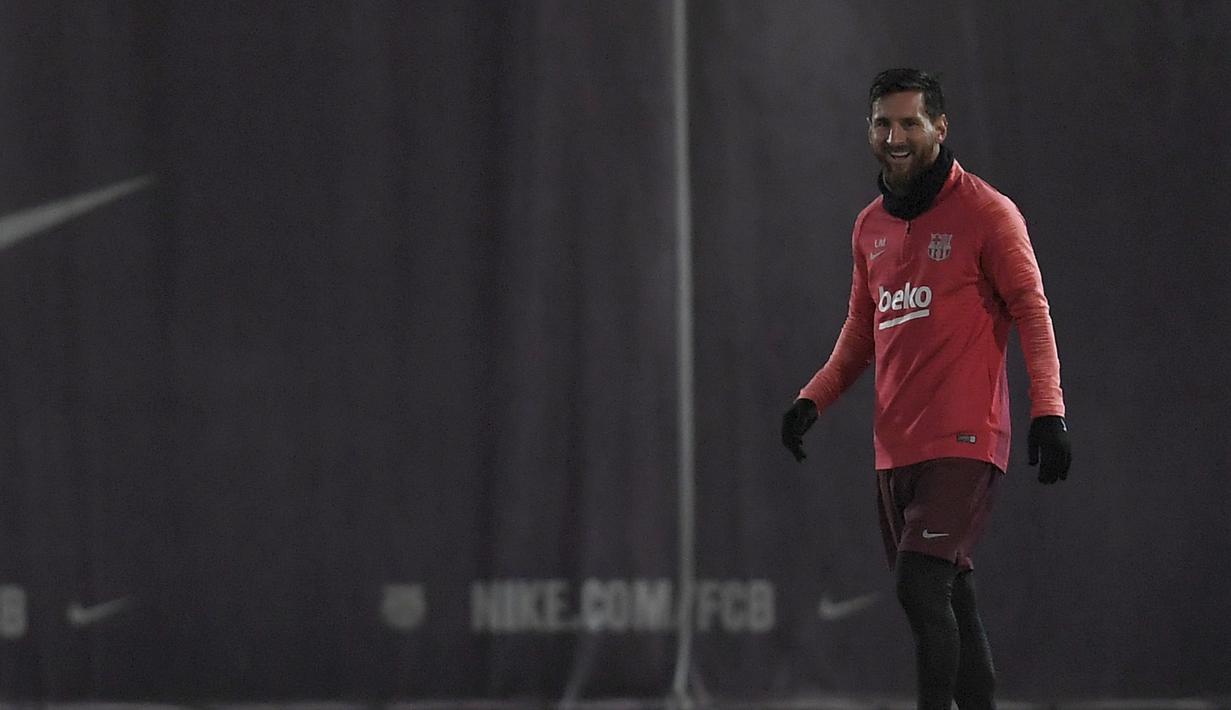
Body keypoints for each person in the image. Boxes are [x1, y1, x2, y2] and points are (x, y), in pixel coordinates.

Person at [780, 68, 1072, 710]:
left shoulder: (988, 214)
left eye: (911, 122)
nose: (896, 136)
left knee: (919, 586)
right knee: (949, 597)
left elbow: (1032, 308)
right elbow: (863, 331)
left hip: (966, 441)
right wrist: (813, 399)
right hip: (896, 450)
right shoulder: (869, 229)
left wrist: (1047, 412)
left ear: (941, 127)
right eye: (884, 123)